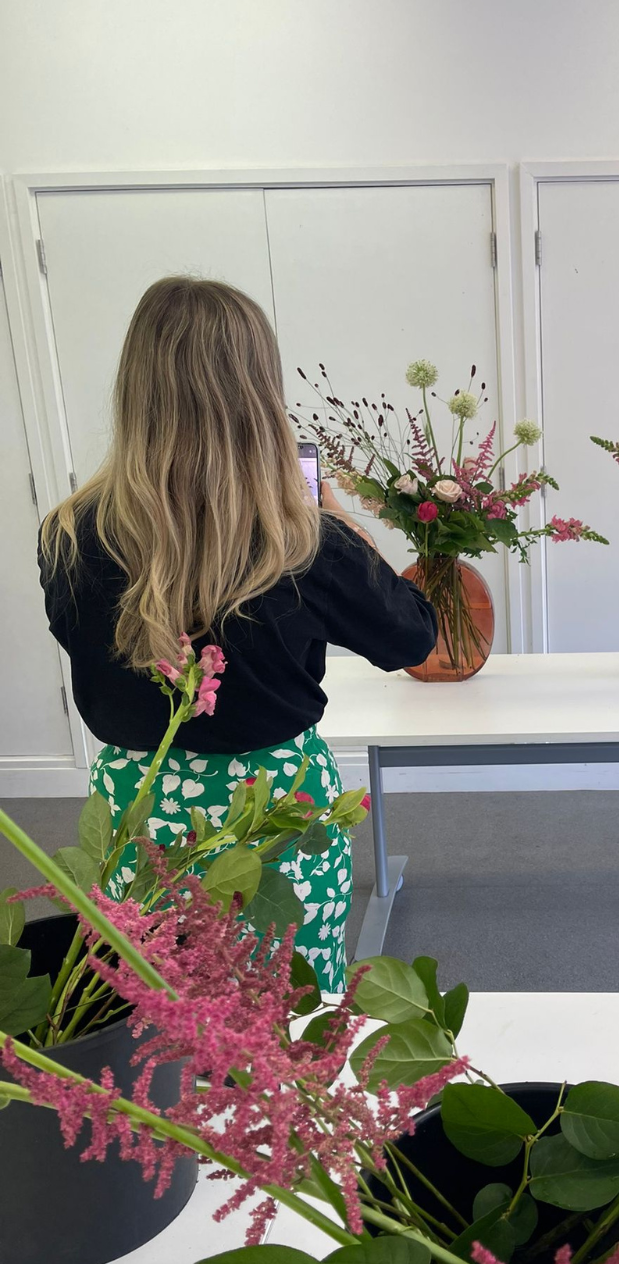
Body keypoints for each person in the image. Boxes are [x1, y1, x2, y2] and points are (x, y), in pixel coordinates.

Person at [39, 277, 437, 992]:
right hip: (276, 810)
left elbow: (86, 653)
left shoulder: (67, 534)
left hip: (136, 807)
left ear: (135, 389)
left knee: (152, 1005)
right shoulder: (305, 541)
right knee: (289, 1005)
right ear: (259, 393)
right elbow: (412, 637)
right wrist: (342, 526)